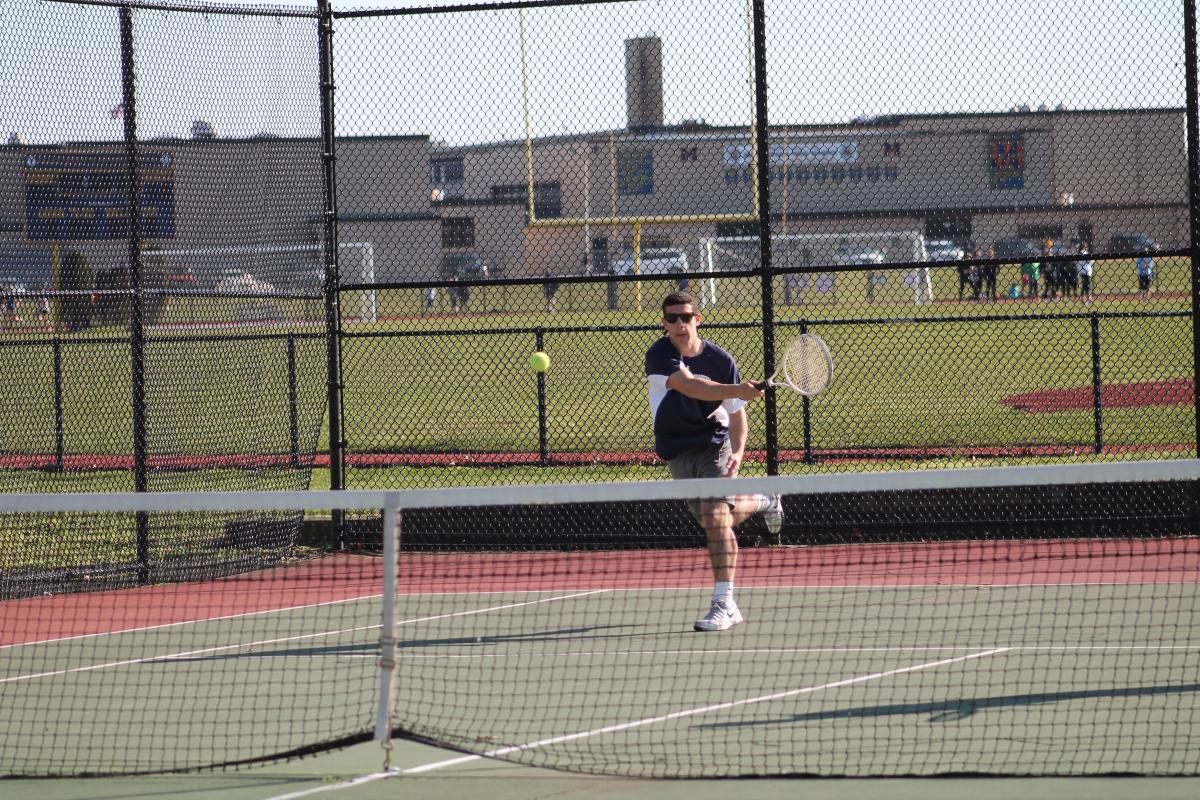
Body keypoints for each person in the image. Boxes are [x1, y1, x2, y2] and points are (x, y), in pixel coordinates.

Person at [644, 290, 783, 632]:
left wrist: (737, 451)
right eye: (673, 318)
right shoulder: (659, 354)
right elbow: (690, 387)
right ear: (664, 324)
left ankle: (725, 603)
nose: (680, 324)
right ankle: (765, 500)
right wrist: (737, 389)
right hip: (677, 450)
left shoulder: (721, 360)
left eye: (686, 317)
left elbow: (736, 416)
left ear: (697, 320)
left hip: (714, 443)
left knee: (715, 516)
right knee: (716, 522)